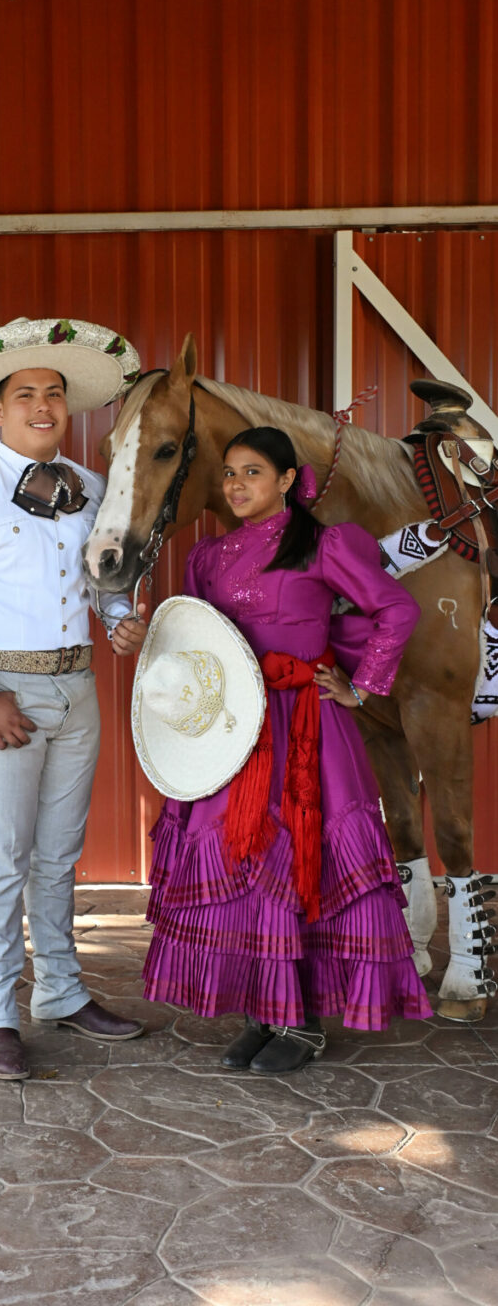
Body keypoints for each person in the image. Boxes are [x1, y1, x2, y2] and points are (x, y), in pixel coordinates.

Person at [142, 425, 432, 1073]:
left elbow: (395, 610)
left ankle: (303, 1025)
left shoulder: (323, 545)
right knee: (240, 861)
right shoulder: (208, 558)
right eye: (230, 474)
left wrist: (363, 687)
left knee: (299, 859)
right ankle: (265, 1011)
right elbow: (198, 644)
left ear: (285, 481)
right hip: (232, 731)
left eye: (252, 472)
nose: (238, 485)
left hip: (306, 727)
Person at [0, 316, 149, 1080]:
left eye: (54, 393)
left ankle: (62, 992)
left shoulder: (91, 490)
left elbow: (105, 582)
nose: (43, 406)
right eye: (26, 395)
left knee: (59, 854)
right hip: (2, 695)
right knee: (3, 858)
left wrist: (119, 622)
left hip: (78, 689)